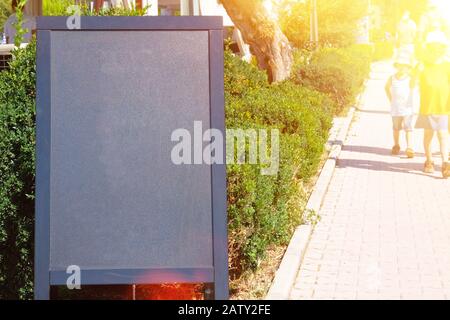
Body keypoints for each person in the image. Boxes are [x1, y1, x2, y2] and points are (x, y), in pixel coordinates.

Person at [415, 31, 450, 178]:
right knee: (428, 135)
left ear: (442, 49)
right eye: (433, 48)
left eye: (439, 48)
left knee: (442, 135)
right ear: (429, 49)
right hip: (428, 106)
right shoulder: (422, 65)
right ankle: (429, 160)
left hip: (443, 107)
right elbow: (413, 82)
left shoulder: (447, 65)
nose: (436, 51)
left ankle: (445, 163)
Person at [385, 50, 416, 158]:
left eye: (405, 66)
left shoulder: (411, 79)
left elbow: (416, 82)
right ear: (397, 66)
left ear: (408, 67)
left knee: (408, 128)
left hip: (407, 109)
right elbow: (386, 88)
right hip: (396, 108)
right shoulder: (392, 78)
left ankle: (410, 147)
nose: (402, 68)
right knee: (396, 128)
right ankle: (396, 144)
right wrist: (391, 99)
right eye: (400, 66)